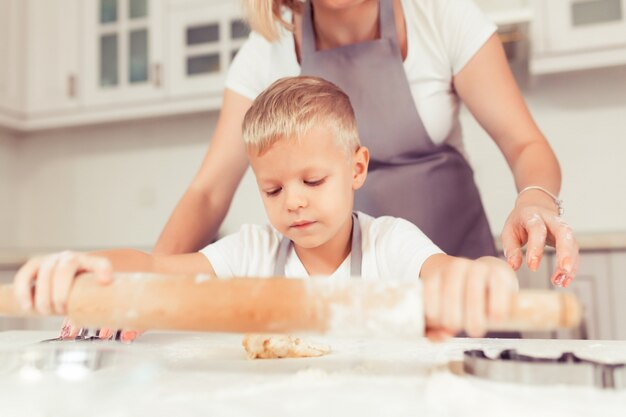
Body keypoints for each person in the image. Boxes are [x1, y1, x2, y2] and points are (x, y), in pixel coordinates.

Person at [13, 76, 518, 341]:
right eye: (272, 190)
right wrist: (90, 267)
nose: (293, 201)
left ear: (357, 169)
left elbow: (449, 273)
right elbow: (153, 269)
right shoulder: (254, 252)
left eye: (313, 180)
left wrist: (485, 274)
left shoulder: (392, 243)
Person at [153, 0, 579, 288]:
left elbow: (524, 144)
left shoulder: (439, 14)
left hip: (452, 278)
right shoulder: (265, 52)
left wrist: (535, 199)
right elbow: (207, 193)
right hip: (352, 298)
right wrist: (143, 291)